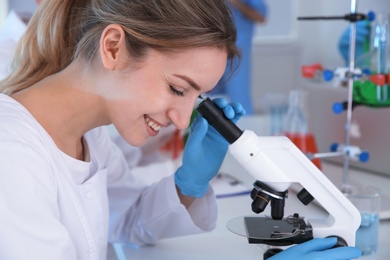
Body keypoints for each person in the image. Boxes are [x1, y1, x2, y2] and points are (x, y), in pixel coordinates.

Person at [0, 1, 362, 259]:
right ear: (114, 48)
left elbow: (126, 220)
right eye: (177, 88)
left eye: (197, 96)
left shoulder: (90, 134)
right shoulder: (12, 154)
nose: (182, 120)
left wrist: (189, 183)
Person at [210, 0, 268, 114]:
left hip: (238, 47)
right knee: (210, 96)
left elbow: (261, 17)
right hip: (212, 46)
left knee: (238, 96)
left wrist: (236, 3)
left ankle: (244, 129)